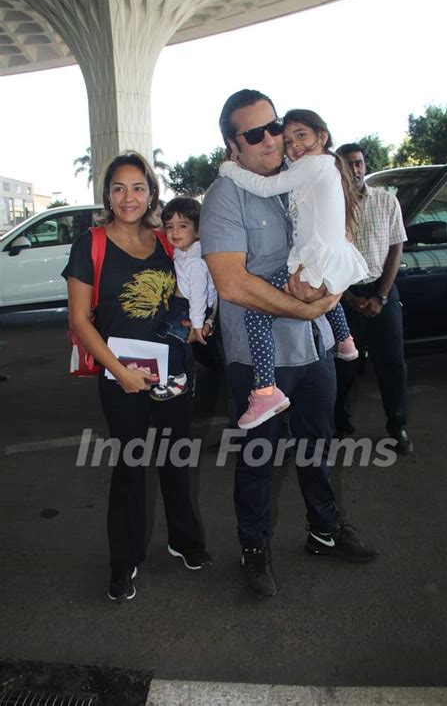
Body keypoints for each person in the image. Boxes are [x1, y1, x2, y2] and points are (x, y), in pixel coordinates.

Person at [200, 90, 378, 598]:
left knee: (317, 448)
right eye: (255, 133)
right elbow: (232, 284)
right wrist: (305, 307)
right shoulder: (224, 196)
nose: (271, 138)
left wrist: (329, 300)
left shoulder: (297, 180)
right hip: (259, 361)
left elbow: (335, 245)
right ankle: (253, 548)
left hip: (314, 346)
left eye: (275, 125)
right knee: (258, 459)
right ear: (233, 145)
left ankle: (325, 531)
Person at [63, 151, 211, 603]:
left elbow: (191, 288)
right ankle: (123, 562)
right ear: (107, 194)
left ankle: (183, 541)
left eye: (139, 187)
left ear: (152, 192)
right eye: (119, 188)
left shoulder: (166, 241)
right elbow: (81, 321)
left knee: (176, 460)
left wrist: (194, 324)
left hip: (173, 370)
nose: (129, 197)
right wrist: (119, 372)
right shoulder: (90, 244)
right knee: (130, 469)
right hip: (120, 375)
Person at [219, 109, 369, 430]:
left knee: (255, 314)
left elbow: (263, 187)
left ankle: (265, 391)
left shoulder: (315, 166)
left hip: (313, 262)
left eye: (301, 135)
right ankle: (345, 341)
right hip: (320, 259)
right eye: (288, 140)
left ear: (322, 137)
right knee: (325, 296)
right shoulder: (316, 167)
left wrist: (229, 168)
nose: (292, 145)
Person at [334, 143, 413, 455]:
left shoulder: (386, 201)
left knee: (392, 364)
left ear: (365, 166)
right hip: (343, 294)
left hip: (382, 291)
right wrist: (349, 298)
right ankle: (340, 426)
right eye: (348, 164)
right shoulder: (330, 207)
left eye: (359, 163)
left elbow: (396, 249)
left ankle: (398, 427)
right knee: (343, 367)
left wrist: (380, 296)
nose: (355, 169)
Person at [149, 197, 217, 401]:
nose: (174, 232)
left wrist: (198, 324)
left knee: (170, 339)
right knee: (162, 335)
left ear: (198, 230)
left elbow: (199, 293)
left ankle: (177, 378)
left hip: (191, 307)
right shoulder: (183, 251)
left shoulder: (196, 260)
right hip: (185, 304)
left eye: (183, 226)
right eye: (169, 227)